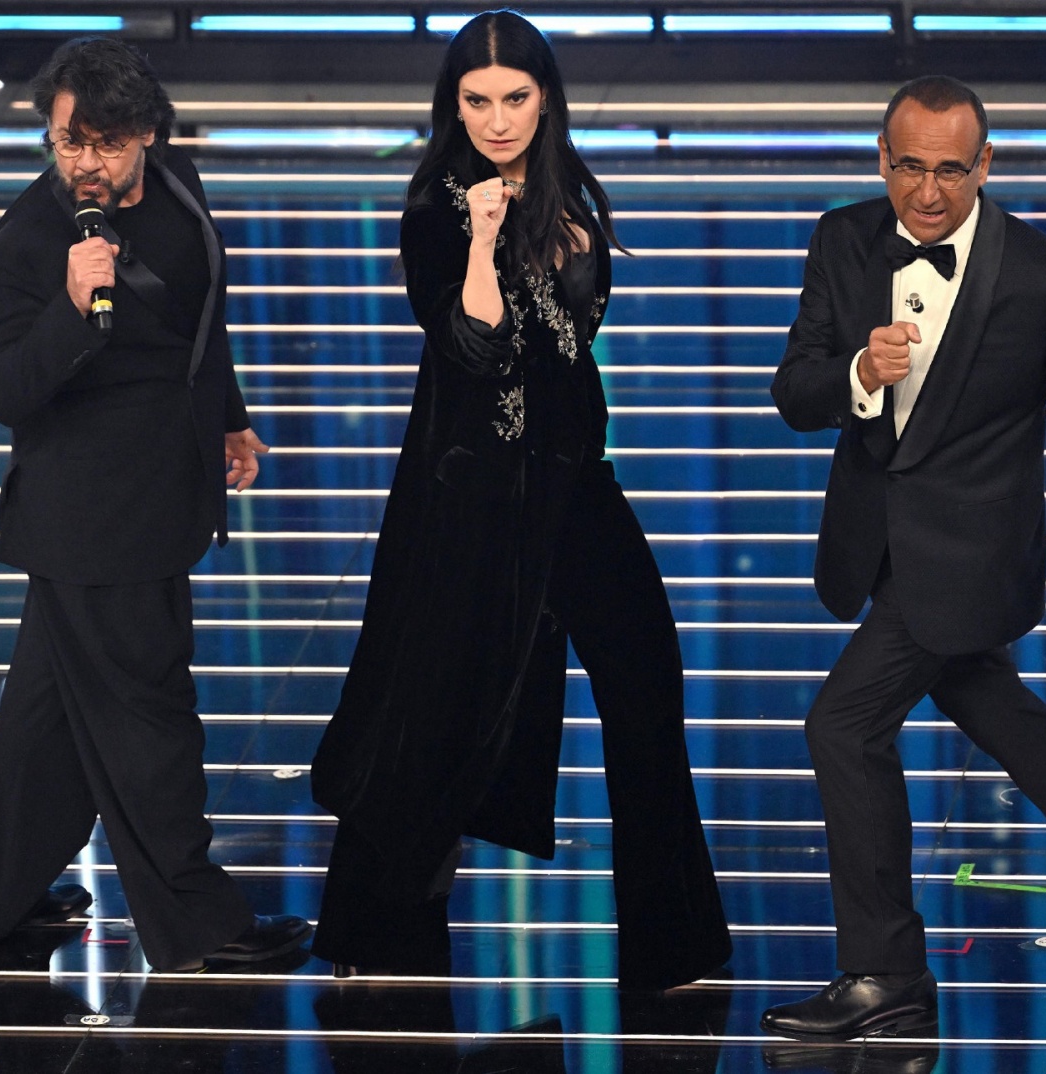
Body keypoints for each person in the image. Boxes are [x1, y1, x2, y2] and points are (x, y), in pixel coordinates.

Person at [308, 10, 732, 991]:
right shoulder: (434, 209)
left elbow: (574, 348)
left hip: (573, 484)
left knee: (645, 681)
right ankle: (376, 930)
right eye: (477, 100)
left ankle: (672, 942)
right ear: (451, 106)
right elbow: (474, 344)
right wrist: (484, 238)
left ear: (546, 100)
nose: (497, 120)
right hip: (472, 494)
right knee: (427, 702)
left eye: (515, 97)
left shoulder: (569, 197)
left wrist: (546, 238)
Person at [760, 75, 1046, 1041]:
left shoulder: (1042, 277)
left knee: (841, 728)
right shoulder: (842, 239)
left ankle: (885, 973)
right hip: (880, 547)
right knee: (987, 700)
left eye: (951, 170)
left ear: (986, 164)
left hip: (975, 556)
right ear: (882, 160)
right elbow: (794, 390)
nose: (928, 191)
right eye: (909, 167)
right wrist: (859, 373)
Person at [0, 36, 310, 973]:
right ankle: (199, 926)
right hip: (93, 524)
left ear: (148, 132)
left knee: (44, 728)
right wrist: (72, 309)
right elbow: (6, 391)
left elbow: (198, 320)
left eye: (106, 144)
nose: (86, 164)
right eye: (70, 142)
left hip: (160, 493)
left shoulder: (180, 186)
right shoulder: (28, 242)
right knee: (150, 718)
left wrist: (228, 417)